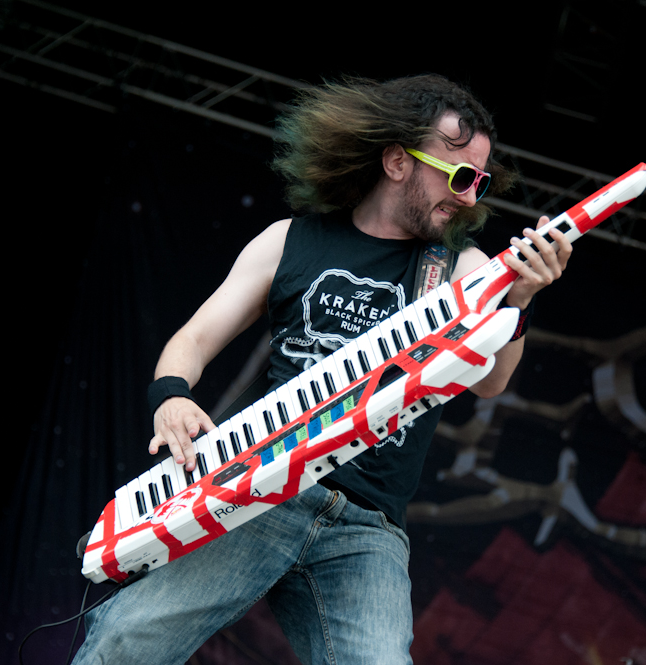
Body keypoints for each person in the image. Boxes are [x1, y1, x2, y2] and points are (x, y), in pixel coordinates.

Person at [73, 74, 572, 665]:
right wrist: (171, 396)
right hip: (257, 494)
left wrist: (519, 302)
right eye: (459, 176)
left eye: (479, 183)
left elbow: (490, 382)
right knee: (125, 641)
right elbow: (194, 339)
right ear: (397, 162)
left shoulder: (460, 268)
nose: (468, 198)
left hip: (365, 530)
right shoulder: (289, 241)